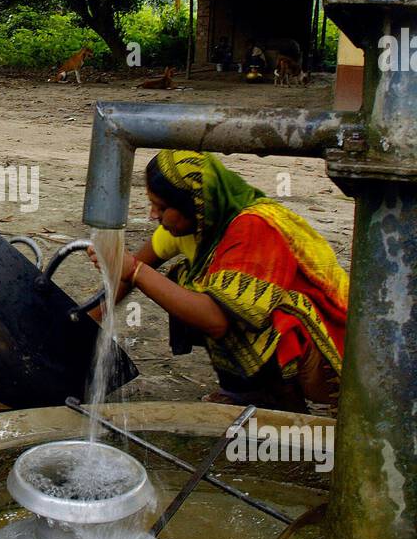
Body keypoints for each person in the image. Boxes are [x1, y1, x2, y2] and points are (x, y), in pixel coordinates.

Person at [91, 149, 348, 412]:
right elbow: (129, 272)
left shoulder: (254, 227)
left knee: (226, 306)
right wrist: (87, 319)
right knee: (187, 286)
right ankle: (252, 392)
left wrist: (135, 270)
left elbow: (215, 321)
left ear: (195, 204)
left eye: (163, 207)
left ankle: (279, 402)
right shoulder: (198, 224)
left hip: (337, 354)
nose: (153, 215)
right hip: (297, 342)